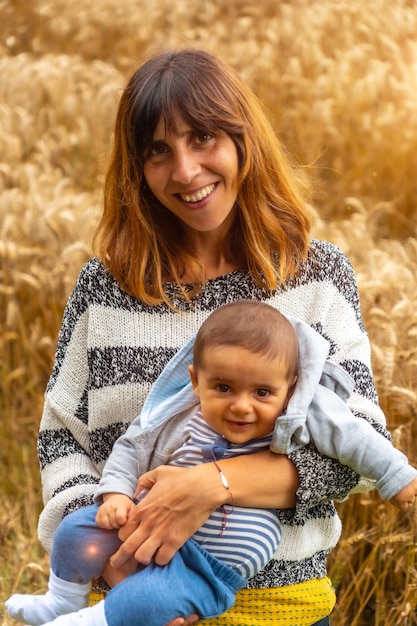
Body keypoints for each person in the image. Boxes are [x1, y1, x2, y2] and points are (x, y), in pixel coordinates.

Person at [15, 47, 404, 626]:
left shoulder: (318, 277)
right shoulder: (105, 285)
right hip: (131, 606)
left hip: (283, 611)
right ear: (136, 168)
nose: (186, 171)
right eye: (158, 152)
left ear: (243, 139)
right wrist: (115, 563)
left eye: (203, 139)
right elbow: (60, 437)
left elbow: (357, 451)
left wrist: (212, 484)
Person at [6, 301, 417, 626]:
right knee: (79, 530)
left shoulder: (306, 415)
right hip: (146, 533)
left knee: (142, 603)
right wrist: (114, 494)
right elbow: (130, 446)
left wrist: (397, 477)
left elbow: (358, 440)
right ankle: (62, 600)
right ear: (194, 381)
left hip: (211, 569)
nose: (241, 406)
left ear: (290, 389)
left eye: (262, 392)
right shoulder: (183, 417)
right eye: (223, 387)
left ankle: (90, 621)